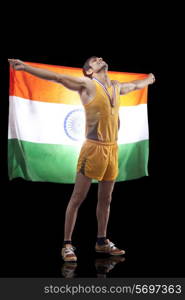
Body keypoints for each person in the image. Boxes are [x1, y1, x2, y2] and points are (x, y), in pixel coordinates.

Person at [8, 57, 155, 262]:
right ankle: (67, 244)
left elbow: (134, 85)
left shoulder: (115, 86)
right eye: (95, 60)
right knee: (78, 198)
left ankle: (101, 241)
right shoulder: (87, 84)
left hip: (112, 148)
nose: (100, 59)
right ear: (89, 71)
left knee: (106, 199)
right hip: (93, 149)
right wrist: (26, 68)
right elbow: (57, 77)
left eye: (100, 58)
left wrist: (149, 79)